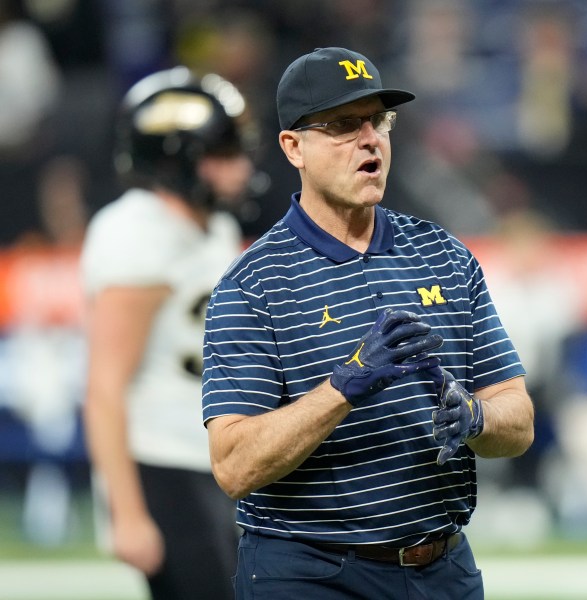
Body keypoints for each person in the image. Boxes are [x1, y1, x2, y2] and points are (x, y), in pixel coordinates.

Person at [201, 46, 534, 600]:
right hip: (311, 573)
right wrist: (344, 385)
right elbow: (234, 466)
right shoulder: (254, 284)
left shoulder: (444, 255)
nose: (369, 138)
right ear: (293, 147)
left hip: (443, 566)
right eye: (342, 125)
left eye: (378, 120)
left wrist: (475, 416)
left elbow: (518, 419)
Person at [81, 67, 255, 599]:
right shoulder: (136, 232)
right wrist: (127, 513)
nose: (242, 167)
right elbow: (104, 387)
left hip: (212, 457)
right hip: (160, 461)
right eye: (224, 154)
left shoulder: (215, 226)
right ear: (178, 159)